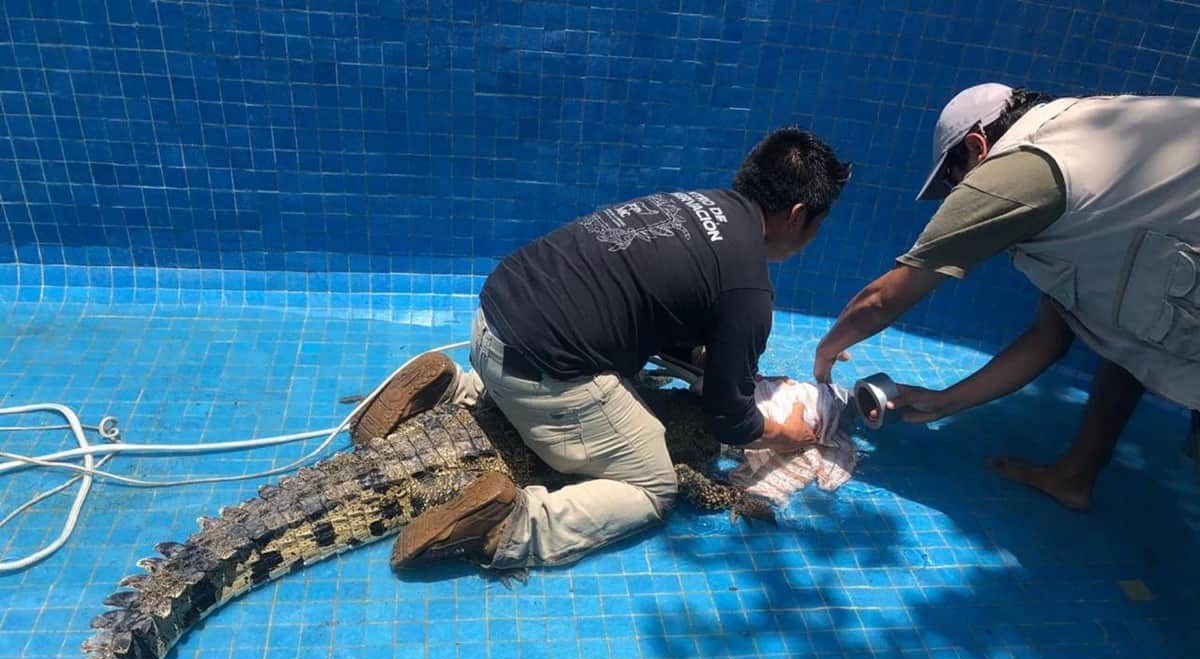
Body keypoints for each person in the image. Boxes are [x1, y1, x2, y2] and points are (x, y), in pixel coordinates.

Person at [366, 127, 851, 571]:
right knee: (654, 488)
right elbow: (729, 419)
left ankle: (451, 388)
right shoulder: (749, 290)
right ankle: (509, 525)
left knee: (578, 351)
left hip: (490, 323)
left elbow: (654, 305)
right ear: (798, 215)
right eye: (818, 225)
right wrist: (782, 433)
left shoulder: (693, 205)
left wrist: (708, 358)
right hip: (538, 374)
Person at [812, 84, 1200, 512]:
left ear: (977, 146)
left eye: (953, 178)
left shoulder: (1016, 171)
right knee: (1116, 328)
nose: (958, 191)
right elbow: (1048, 337)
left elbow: (884, 299)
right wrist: (945, 401)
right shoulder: (1084, 138)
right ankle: (1074, 477)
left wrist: (826, 352)